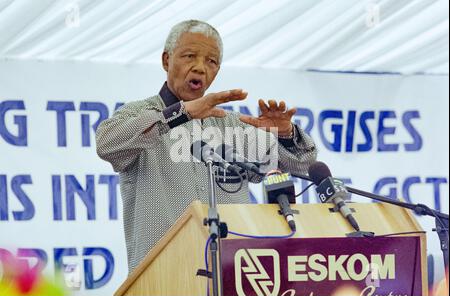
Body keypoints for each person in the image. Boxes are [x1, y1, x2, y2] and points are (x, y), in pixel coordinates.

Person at [96, 20, 317, 274]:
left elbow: (304, 166)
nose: (200, 68)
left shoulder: (231, 125)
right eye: (190, 56)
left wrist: (285, 135)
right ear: (166, 60)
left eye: (211, 62)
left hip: (231, 275)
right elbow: (107, 145)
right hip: (163, 277)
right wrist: (180, 114)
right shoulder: (140, 114)